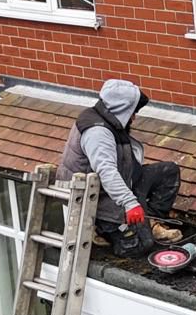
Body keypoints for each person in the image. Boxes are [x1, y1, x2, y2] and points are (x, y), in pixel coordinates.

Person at [58, 79, 181, 259]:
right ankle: (102, 229)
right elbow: (106, 172)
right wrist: (130, 203)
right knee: (141, 244)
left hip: (123, 181)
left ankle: (149, 221)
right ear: (122, 109)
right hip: (99, 199)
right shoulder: (98, 132)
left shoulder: (109, 118)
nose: (134, 117)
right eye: (132, 112)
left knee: (169, 172)